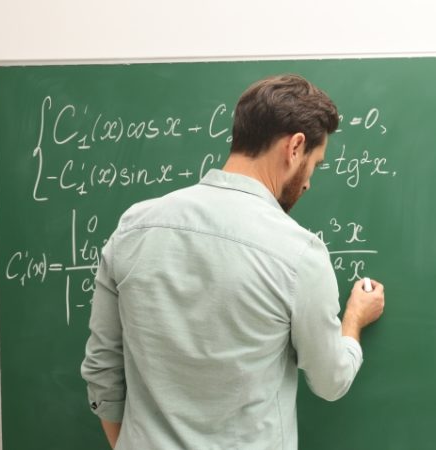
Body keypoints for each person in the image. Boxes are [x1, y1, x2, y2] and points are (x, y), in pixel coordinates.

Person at [80, 74, 385, 450]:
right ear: (295, 147)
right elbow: (330, 381)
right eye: (315, 164)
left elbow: (102, 372)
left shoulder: (134, 227)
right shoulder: (298, 254)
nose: (308, 183)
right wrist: (353, 319)